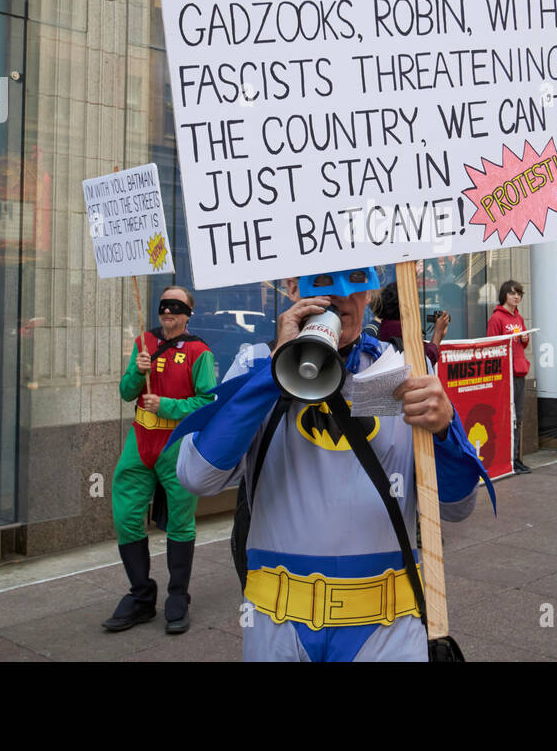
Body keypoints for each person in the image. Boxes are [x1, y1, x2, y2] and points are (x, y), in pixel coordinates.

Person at [175, 266, 492, 662]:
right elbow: (197, 475)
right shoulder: (256, 362)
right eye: (321, 280)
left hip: (387, 630)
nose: (339, 296)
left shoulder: (407, 370)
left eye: (355, 280)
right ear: (292, 287)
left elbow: (458, 507)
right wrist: (275, 370)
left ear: (370, 293)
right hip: (279, 628)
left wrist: (445, 431)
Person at [104, 286, 217, 634]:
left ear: (188, 313)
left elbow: (208, 401)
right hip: (139, 441)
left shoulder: (200, 352)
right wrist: (137, 372)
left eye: (176, 306)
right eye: (164, 305)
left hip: (176, 444)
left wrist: (166, 406)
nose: (168, 312)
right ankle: (141, 597)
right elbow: (125, 393)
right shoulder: (144, 343)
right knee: (125, 516)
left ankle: (178, 596)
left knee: (181, 521)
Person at [488, 279, 532, 475]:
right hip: (505, 375)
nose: (516, 297)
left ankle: (516, 458)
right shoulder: (497, 318)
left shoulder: (519, 318)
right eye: (513, 293)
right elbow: (491, 346)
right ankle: (508, 460)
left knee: (519, 417)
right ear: (504, 295)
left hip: (519, 372)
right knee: (508, 417)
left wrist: (524, 338)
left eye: (519, 294)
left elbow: (523, 344)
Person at [367, 281, 448, 364]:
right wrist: (438, 334)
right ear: (406, 305)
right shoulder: (398, 328)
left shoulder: (388, 325)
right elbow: (425, 359)